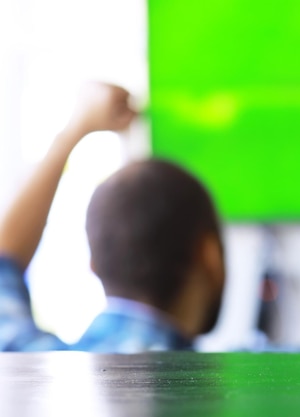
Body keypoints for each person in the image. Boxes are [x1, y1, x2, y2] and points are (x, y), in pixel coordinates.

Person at [0, 82, 225, 353]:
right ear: (210, 256)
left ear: (93, 265)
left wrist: (75, 129)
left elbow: (4, 262)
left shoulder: (27, 362)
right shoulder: (252, 384)